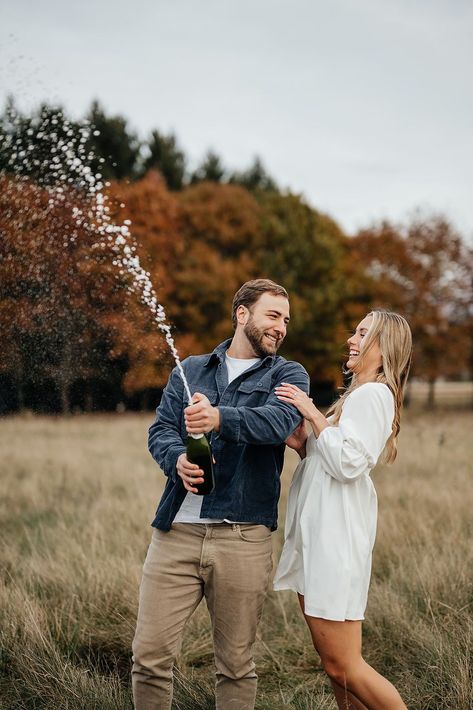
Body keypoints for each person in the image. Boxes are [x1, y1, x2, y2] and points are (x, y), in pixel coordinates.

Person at [132, 278, 309, 710]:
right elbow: (160, 431)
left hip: (243, 538)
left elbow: (276, 424)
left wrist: (218, 418)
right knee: (149, 657)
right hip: (176, 533)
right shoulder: (189, 369)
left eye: (286, 320)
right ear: (242, 314)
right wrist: (176, 458)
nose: (281, 327)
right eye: (273, 315)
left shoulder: (288, 374)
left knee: (234, 665)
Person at [273, 310, 412, 710]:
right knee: (334, 666)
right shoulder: (353, 398)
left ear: (384, 348)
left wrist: (313, 412)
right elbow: (326, 457)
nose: (352, 339)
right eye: (354, 331)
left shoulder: (373, 394)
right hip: (317, 538)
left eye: (363, 334)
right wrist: (303, 441)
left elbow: (350, 463)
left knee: (345, 666)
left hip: (335, 542)